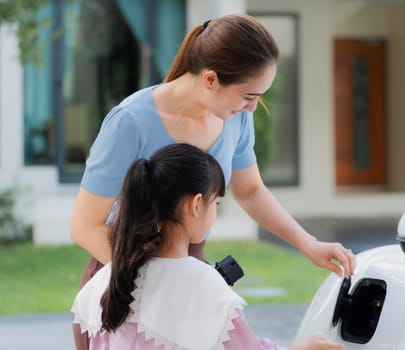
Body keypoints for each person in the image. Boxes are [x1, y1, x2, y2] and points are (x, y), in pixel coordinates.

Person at [70, 13, 355, 348]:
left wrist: (308, 243)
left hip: (186, 277)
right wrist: (156, 283)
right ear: (210, 79)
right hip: (121, 291)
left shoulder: (234, 120)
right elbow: (84, 226)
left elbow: (250, 191)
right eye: (248, 95)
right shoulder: (130, 122)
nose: (252, 108)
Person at [71, 143, 343, 350]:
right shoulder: (203, 287)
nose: (215, 211)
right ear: (196, 204)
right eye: (217, 203)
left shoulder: (106, 281)